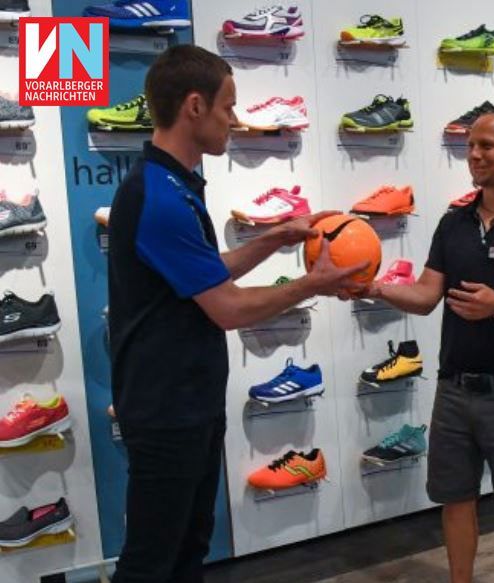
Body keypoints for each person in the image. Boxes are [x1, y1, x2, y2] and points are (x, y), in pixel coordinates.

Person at [108, 45, 362, 583]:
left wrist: (274, 238)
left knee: (187, 550)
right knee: (151, 563)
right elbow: (226, 308)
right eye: (228, 107)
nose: (235, 119)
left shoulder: (172, 185)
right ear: (194, 106)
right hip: (165, 409)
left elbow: (203, 273)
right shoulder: (158, 197)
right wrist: (311, 284)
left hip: (188, 403)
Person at [363, 112, 494, 583]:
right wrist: (373, 288)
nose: (474, 155)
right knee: (456, 499)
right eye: (471, 146)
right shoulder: (453, 224)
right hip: (453, 392)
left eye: (486, 146)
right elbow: (426, 296)